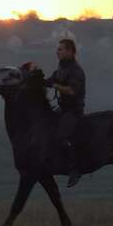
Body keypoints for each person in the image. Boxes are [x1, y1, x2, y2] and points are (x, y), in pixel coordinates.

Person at [45, 39, 86, 187]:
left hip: (73, 112)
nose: (57, 52)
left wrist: (54, 85)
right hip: (62, 109)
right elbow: (50, 80)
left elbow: (71, 91)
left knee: (61, 136)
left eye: (61, 49)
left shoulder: (76, 71)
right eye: (58, 49)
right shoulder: (61, 68)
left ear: (70, 51)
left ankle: (75, 169)